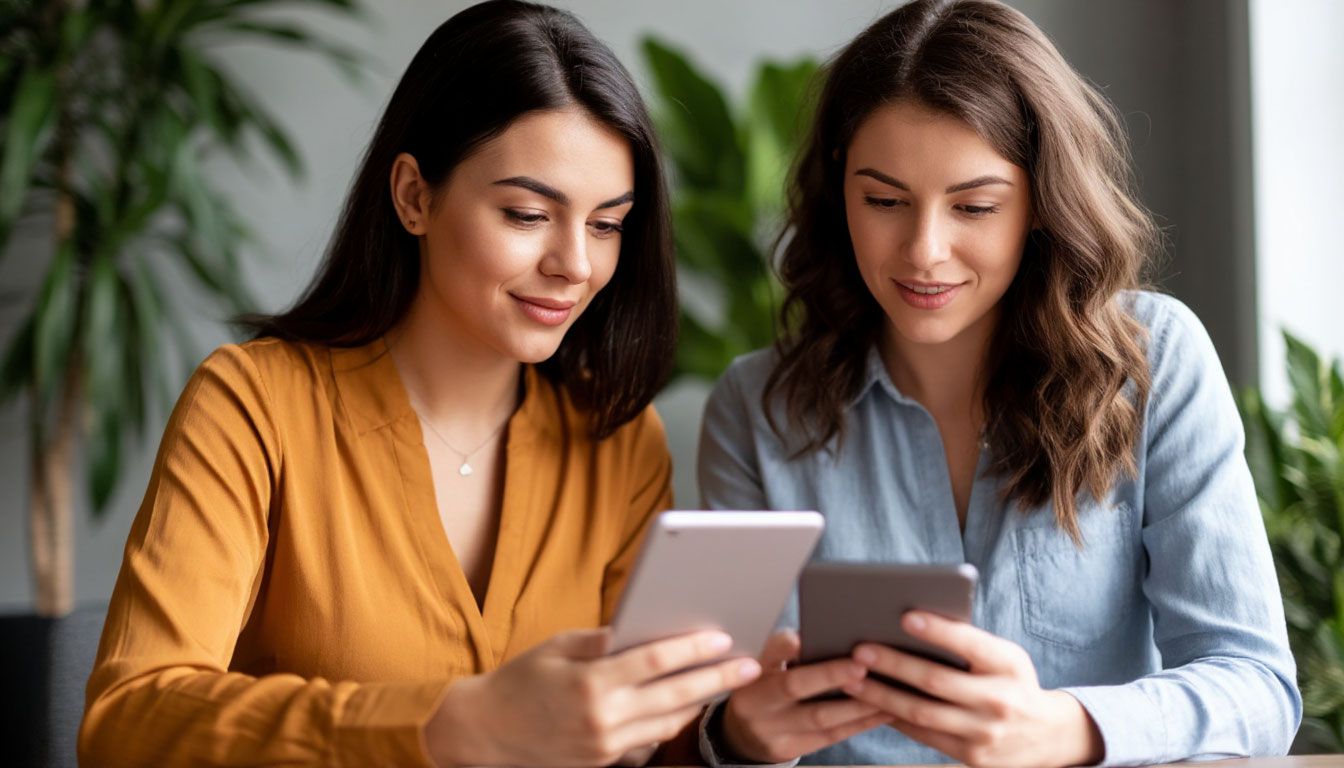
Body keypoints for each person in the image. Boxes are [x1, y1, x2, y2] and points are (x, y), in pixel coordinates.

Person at [79, 2, 762, 765]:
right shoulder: (254, 406)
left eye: (606, 225)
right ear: (414, 196)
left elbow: (647, 742)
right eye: (527, 214)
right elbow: (127, 721)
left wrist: (741, 735)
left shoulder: (618, 437)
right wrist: (447, 725)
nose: (576, 264)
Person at [695, 0, 1301, 765]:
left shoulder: (1153, 361)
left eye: (975, 206)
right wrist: (739, 735)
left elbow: (1257, 687)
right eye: (883, 201)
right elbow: (717, 703)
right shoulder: (757, 408)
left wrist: (1064, 728)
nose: (924, 250)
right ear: (839, 189)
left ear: (1042, 202)